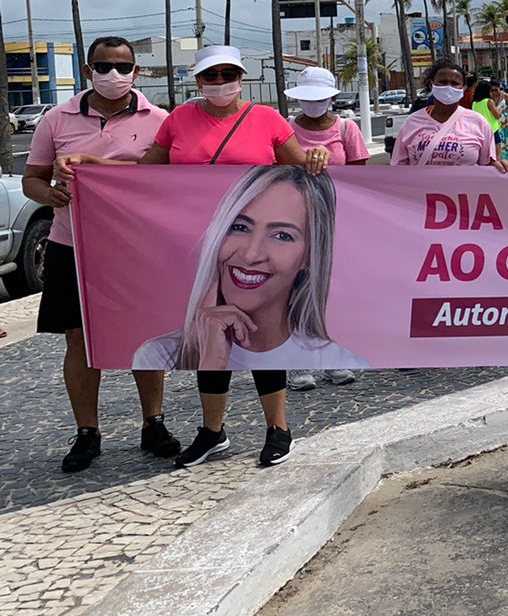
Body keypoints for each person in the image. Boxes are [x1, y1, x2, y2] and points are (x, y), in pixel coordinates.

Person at [57, 46, 332, 469]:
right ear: (198, 80)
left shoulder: (268, 119)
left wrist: (318, 155)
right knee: (210, 334)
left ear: (241, 76)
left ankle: (278, 429)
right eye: (211, 75)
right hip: (197, 249)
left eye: (228, 73)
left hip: (252, 251)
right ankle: (212, 431)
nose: (220, 81)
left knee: (261, 333)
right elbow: (147, 174)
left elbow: (301, 176)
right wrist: (97, 167)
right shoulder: (179, 120)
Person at [24, 36, 179, 473]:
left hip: (138, 248)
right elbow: (31, 179)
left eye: (123, 66)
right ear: (88, 70)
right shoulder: (56, 119)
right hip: (71, 244)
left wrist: (98, 166)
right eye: (104, 66)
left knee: (143, 336)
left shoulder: (159, 120)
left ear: (136, 70)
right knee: (77, 337)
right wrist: (50, 194)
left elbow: (168, 177)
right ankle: (87, 432)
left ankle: (154, 422)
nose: (114, 74)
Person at [131, 165, 367, 372]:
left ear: (309, 256)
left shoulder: (342, 362)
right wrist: (210, 364)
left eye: (282, 235)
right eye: (240, 227)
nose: (251, 254)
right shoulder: (159, 357)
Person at [284, 65, 368, 391]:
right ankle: (297, 364)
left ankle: (334, 360)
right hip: (293, 224)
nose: (314, 104)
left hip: (336, 223)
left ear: (332, 97)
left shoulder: (347, 130)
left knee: (332, 294)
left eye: (319, 98)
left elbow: (362, 180)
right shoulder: (285, 129)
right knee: (296, 292)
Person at [393, 59, 508, 171]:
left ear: (463, 88)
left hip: (465, 195)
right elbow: (397, 171)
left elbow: (488, 166)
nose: (449, 87)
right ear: (432, 85)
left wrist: (502, 167)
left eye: (455, 83)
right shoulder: (411, 123)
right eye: (443, 82)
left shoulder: (479, 123)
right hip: (418, 195)